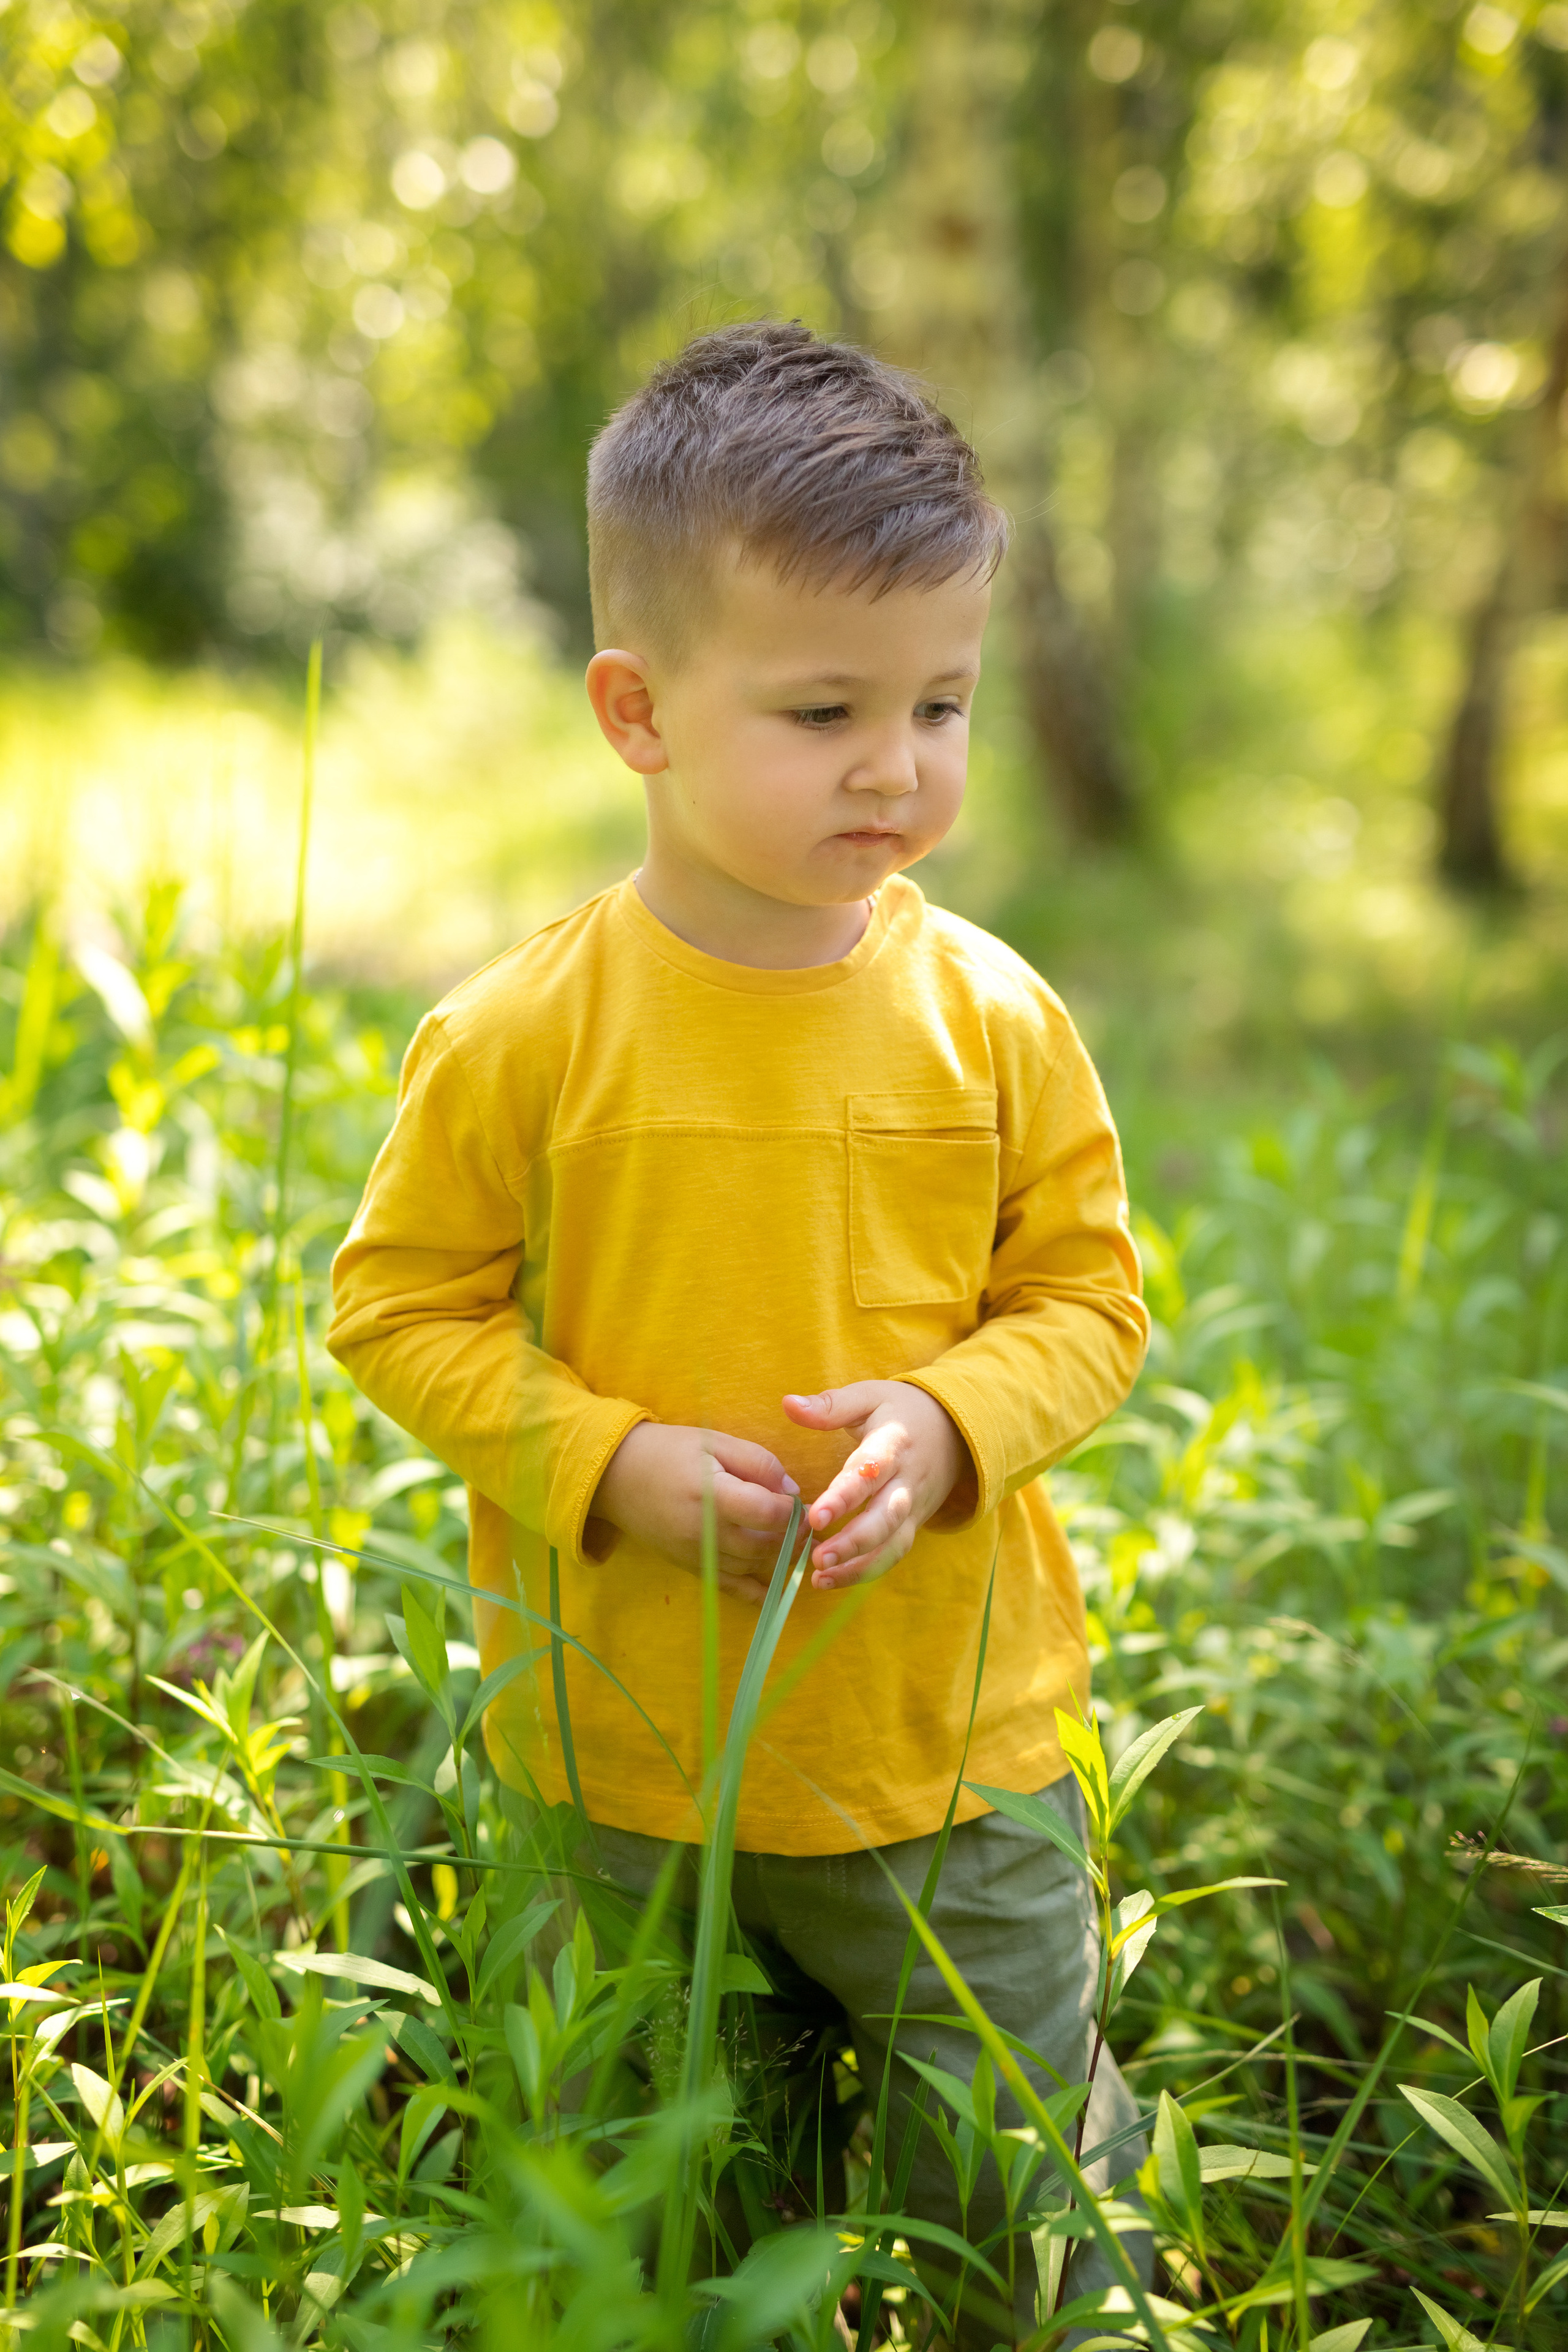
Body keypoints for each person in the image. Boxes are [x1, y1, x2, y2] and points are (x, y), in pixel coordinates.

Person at [328, 319, 1152, 2344]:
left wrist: (956, 1427)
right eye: (824, 709)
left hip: (943, 1762)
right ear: (639, 711)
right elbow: (392, 1304)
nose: (900, 765)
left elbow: (1091, 1301)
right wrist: (602, 1463)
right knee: (642, 2193)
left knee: (1006, 2180)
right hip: (623, 1760)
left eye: (942, 702)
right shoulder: (525, 1032)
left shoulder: (997, 1019)